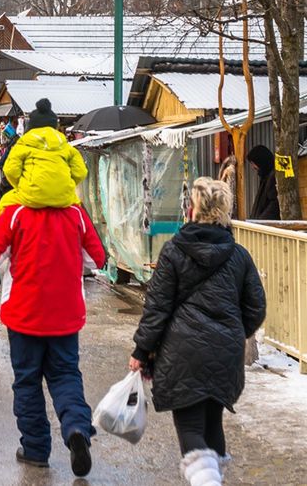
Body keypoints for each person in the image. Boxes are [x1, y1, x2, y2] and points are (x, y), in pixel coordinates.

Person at [130, 178, 265, 486]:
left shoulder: (174, 251)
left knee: (190, 424)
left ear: (193, 209)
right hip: (225, 351)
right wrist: (232, 331)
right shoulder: (239, 255)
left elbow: (157, 308)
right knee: (212, 420)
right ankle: (212, 477)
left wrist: (141, 350)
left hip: (182, 351)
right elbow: (256, 307)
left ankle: (206, 482)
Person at [0, 198, 105, 478]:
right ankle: (76, 429)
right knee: (66, 375)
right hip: (66, 314)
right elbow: (96, 259)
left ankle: (35, 450)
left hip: (24, 314)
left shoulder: (15, 214)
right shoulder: (75, 214)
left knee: (27, 380)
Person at [0, 99, 86, 214]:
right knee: (79, 211)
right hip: (63, 198)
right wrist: (65, 185)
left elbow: (10, 170)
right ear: (55, 126)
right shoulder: (66, 146)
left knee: (5, 204)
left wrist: (21, 185)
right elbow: (81, 171)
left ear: (31, 127)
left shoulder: (22, 144)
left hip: (29, 196)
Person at [246, 145, 281, 220]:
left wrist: (260, 221)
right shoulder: (266, 176)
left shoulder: (272, 177)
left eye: (253, 163)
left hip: (265, 227)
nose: (253, 167)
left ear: (261, 160)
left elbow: (274, 205)